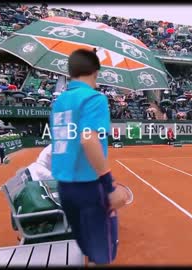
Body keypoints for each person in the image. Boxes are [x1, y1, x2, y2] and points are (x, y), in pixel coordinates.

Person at [50, 49, 127, 266]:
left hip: (65, 186)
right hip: (90, 186)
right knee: (101, 253)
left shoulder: (60, 101)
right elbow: (88, 139)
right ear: (96, 71)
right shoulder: (94, 98)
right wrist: (109, 185)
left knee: (87, 245)